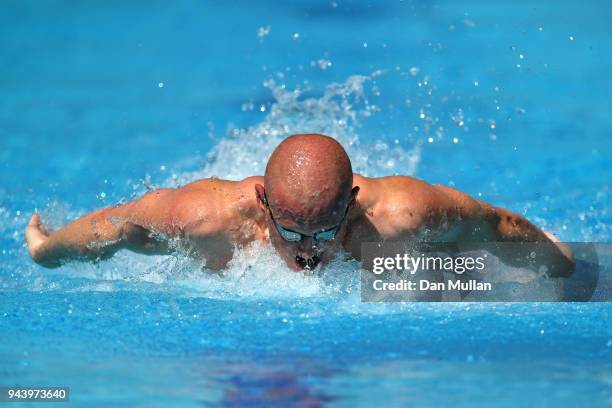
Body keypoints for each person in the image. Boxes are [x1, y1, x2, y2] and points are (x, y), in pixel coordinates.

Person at [24, 134, 574, 276]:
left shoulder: (402, 214)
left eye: (326, 231)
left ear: (353, 203)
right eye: (291, 233)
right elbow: (114, 226)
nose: (309, 254)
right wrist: (47, 250)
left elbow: (495, 223)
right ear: (262, 203)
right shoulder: (204, 219)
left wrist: (556, 263)